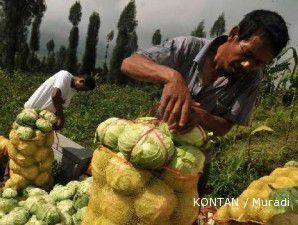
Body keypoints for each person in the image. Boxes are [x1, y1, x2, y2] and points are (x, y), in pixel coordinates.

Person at [120, 10, 289, 136]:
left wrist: (200, 116)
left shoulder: (252, 78)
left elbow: (224, 127)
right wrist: (172, 78)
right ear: (234, 34)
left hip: (192, 160)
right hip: (154, 139)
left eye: (259, 62)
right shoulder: (187, 47)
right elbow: (129, 63)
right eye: (247, 53)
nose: (247, 65)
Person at [24, 70, 96, 130]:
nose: (82, 91)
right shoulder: (65, 76)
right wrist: (61, 118)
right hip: (31, 113)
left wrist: (54, 121)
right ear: (81, 81)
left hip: (42, 119)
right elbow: (55, 96)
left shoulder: (73, 91)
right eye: (84, 89)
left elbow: (59, 106)